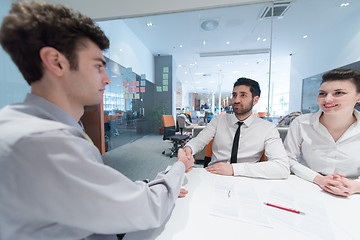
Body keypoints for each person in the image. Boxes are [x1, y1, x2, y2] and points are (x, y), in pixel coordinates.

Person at [0, 2, 194, 240]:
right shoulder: (47, 142)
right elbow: (148, 209)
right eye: (97, 66)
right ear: (56, 61)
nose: (106, 79)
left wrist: (142, 186)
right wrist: (178, 168)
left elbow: (87, 194)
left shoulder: (27, 122)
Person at [184, 78, 289, 179]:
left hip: (247, 178)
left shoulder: (268, 129)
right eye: (234, 95)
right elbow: (199, 141)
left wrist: (234, 169)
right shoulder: (218, 120)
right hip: (215, 176)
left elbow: (282, 167)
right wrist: (188, 149)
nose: (236, 100)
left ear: (255, 99)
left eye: (243, 95)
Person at [284, 68, 360, 197]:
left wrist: (354, 186)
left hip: (352, 195)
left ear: (358, 96)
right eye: (322, 93)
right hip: (307, 186)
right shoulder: (301, 123)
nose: (327, 99)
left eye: (339, 93)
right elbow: (287, 159)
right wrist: (319, 179)